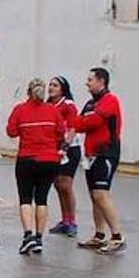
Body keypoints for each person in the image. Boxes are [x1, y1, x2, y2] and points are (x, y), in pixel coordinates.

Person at [5, 78, 63, 255]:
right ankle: (39, 238)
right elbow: (61, 131)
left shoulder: (20, 110)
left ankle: (28, 235)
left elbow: (11, 131)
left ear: (28, 92)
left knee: (25, 199)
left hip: (27, 159)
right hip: (49, 160)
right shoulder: (52, 111)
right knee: (42, 199)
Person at [73, 66, 126, 253]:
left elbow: (93, 121)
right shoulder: (89, 103)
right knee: (94, 196)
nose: (87, 83)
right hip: (91, 154)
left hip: (106, 152)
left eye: (90, 80)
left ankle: (117, 236)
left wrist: (86, 121)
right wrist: (84, 122)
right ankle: (99, 234)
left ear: (101, 81)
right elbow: (78, 124)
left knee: (101, 194)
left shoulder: (110, 101)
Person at [47, 75, 81, 236]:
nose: (51, 88)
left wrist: (66, 144)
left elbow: (73, 126)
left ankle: (72, 221)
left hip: (69, 148)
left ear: (63, 89)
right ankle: (64, 219)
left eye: (55, 85)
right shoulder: (48, 105)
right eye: (50, 85)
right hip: (54, 149)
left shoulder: (68, 105)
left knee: (66, 185)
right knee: (58, 184)